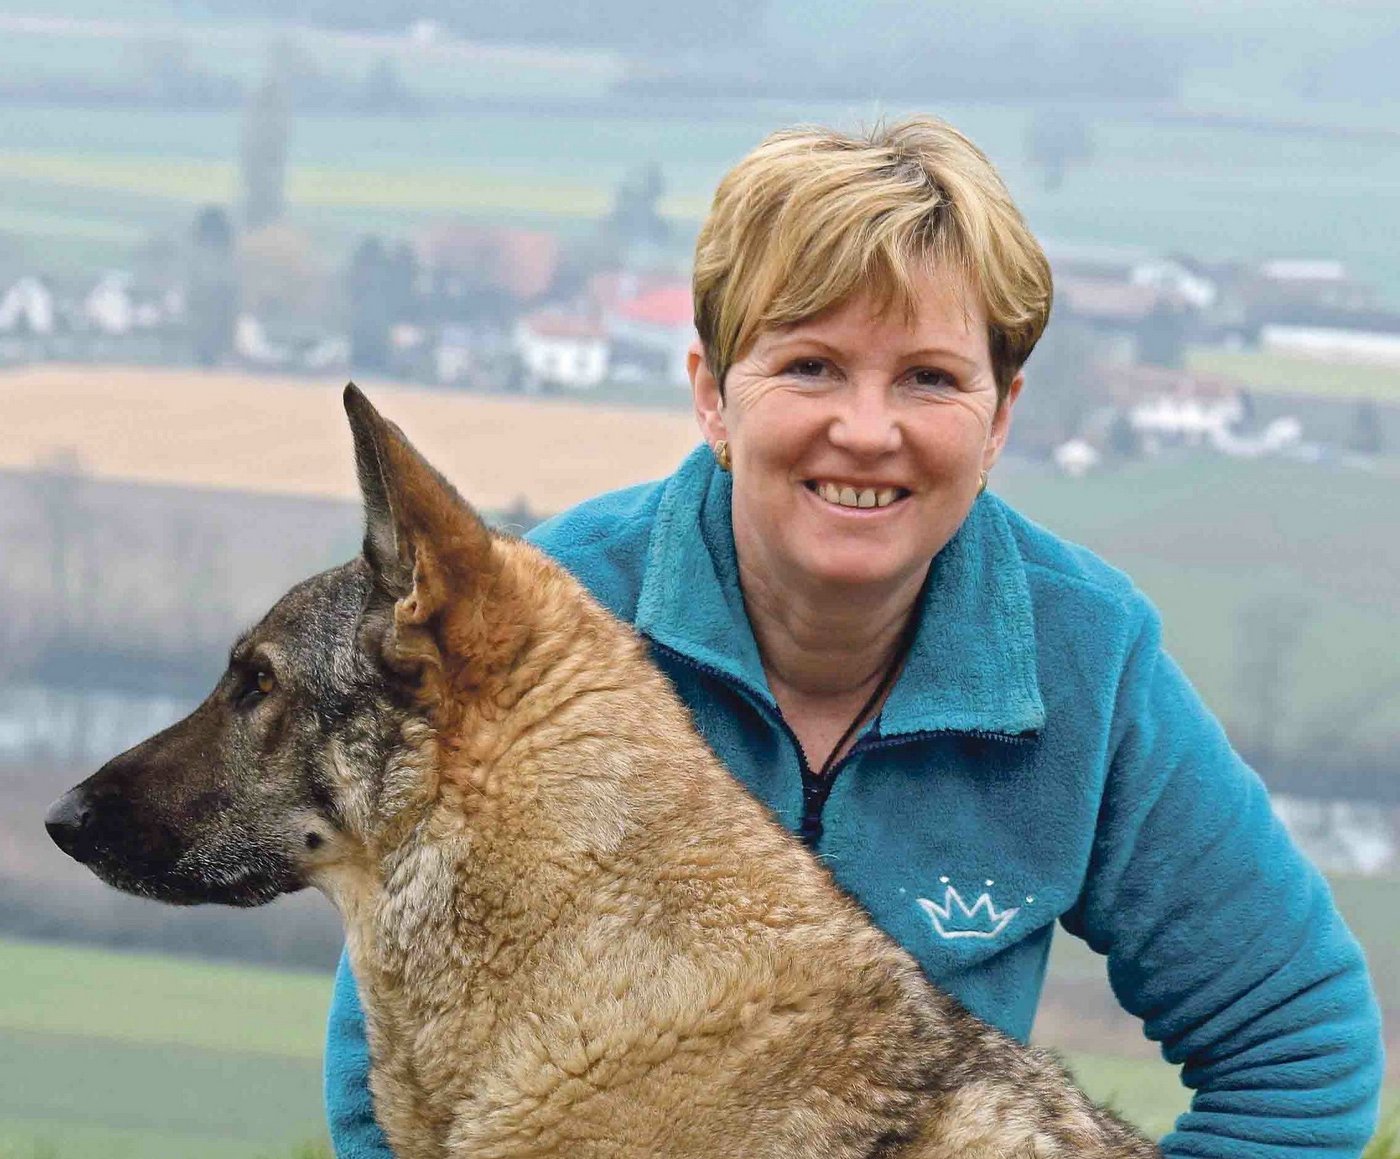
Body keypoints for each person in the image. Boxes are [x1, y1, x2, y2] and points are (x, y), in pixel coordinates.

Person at [324, 118, 1382, 1157]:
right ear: (711, 395)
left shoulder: (1084, 654)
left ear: (999, 416)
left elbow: (1297, 1050)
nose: (866, 430)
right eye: (811, 367)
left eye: (928, 377)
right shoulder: (541, 629)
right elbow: (392, 1080)